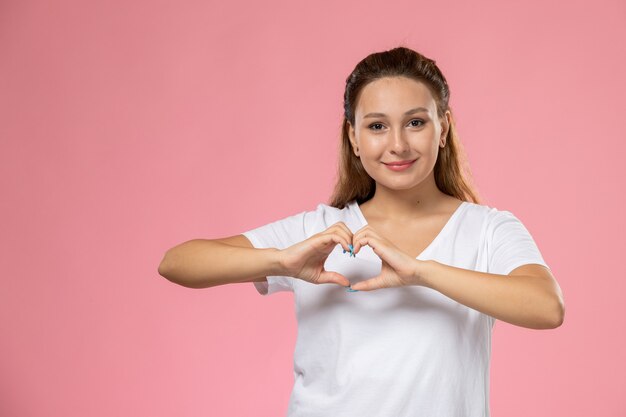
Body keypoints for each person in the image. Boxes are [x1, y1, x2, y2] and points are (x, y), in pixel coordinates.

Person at [158, 46, 565, 417]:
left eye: (416, 122)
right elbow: (177, 262)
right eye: (376, 127)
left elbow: (546, 306)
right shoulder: (319, 230)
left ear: (443, 128)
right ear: (353, 137)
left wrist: (421, 272)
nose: (398, 144)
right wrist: (282, 261)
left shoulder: (488, 229)